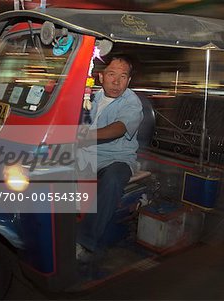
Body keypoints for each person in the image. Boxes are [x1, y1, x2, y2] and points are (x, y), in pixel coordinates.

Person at [76, 55, 143, 261]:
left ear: (129, 81)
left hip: (116, 158)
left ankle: (85, 241)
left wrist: (84, 136)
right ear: (100, 76)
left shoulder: (132, 102)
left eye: (123, 77)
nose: (116, 82)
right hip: (84, 154)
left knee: (114, 178)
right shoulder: (91, 97)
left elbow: (119, 128)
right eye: (111, 75)